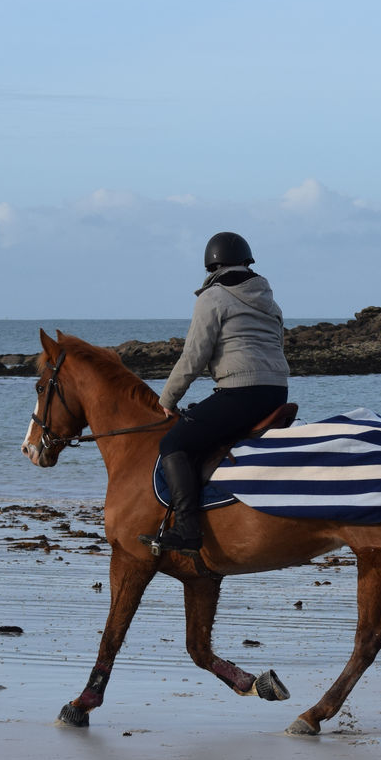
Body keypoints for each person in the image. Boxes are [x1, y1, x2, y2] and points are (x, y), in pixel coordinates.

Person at [153, 231, 289, 552]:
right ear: (247, 264)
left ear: (211, 267)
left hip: (240, 393)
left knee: (173, 442)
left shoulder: (212, 298)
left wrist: (168, 400)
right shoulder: (270, 302)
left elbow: (194, 356)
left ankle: (188, 529)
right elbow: (278, 345)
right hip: (276, 393)